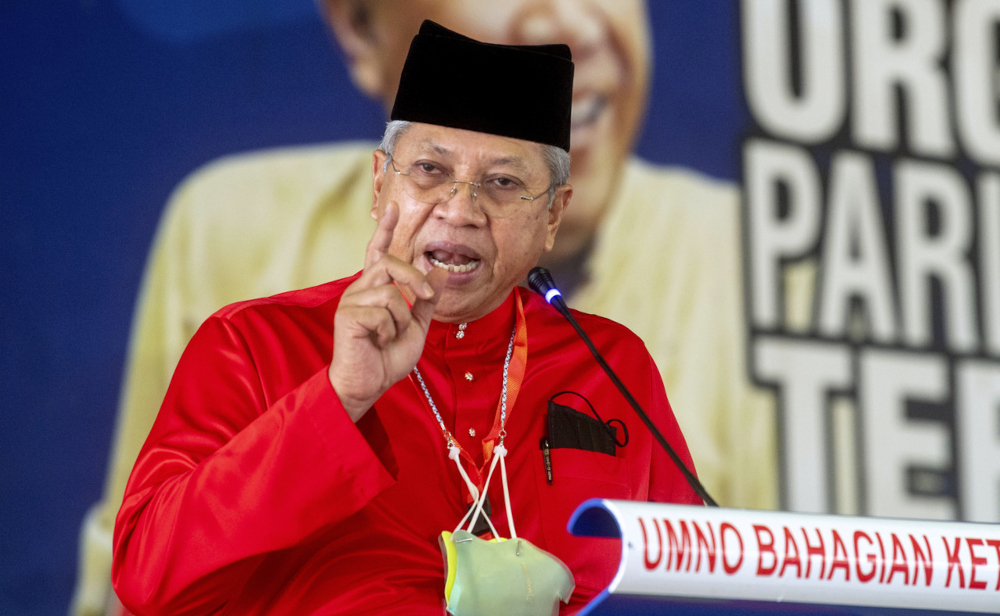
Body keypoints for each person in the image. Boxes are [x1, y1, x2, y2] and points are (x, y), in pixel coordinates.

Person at [74, 2, 777, 614]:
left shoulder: (611, 366)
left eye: (503, 183)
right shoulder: (253, 344)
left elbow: (694, 585)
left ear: (553, 216)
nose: (461, 209)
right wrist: (336, 399)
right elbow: (146, 578)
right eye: (430, 171)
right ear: (381, 184)